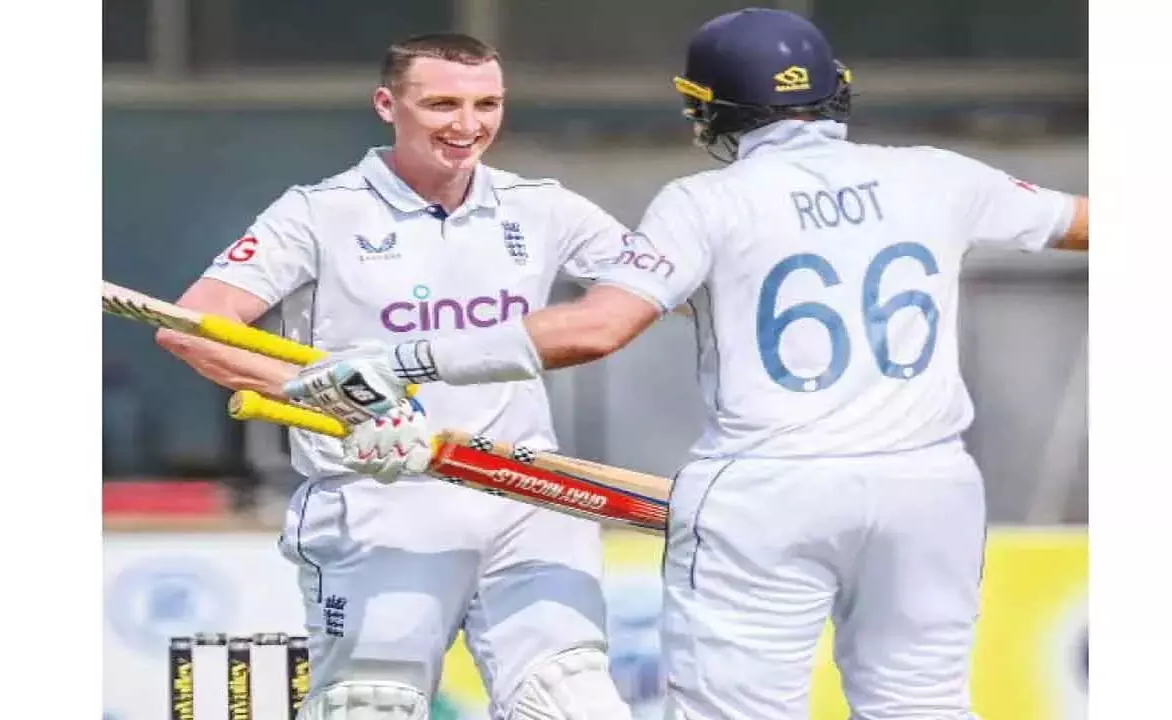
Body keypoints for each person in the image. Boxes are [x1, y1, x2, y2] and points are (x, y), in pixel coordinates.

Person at [287, 8, 1090, 720]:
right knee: (922, 706)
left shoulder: (709, 200)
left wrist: (406, 361)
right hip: (930, 487)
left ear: (709, 107)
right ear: (837, 90)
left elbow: (598, 328)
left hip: (767, 490)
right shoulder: (941, 175)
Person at [155, 33, 637, 720]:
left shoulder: (543, 206)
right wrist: (338, 399)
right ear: (387, 104)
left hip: (523, 491)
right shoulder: (320, 211)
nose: (467, 125)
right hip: (381, 495)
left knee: (572, 700)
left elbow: (658, 292)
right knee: (372, 702)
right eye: (441, 104)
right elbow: (194, 326)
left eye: (487, 104)